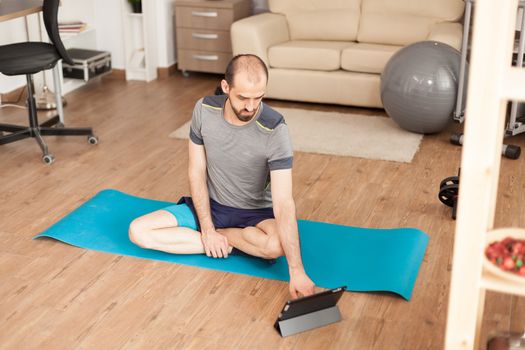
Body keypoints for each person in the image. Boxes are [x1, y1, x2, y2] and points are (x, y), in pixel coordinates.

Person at [129, 54, 315, 299]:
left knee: (277, 246)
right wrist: (207, 228)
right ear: (226, 87)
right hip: (212, 206)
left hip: (256, 215)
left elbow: (283, 202)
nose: (251, 106)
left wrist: (297, 270)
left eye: (258, 97)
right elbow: (196, 171)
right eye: (243, 97)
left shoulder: (275, 128)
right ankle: (229, 244)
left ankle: (224, 239)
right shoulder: (204, 110)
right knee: (138, 231)